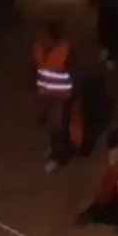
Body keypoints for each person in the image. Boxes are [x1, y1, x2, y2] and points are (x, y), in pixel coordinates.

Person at [33, 21, 81, 172]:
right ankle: (56, 149)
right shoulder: (39, 48)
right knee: (52, 124)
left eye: (45, 36)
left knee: (57, 125)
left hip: (62, 95)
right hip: (47, 93)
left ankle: (58, 157)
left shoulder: (65, 51)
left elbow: (74, 72)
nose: (42, 38)